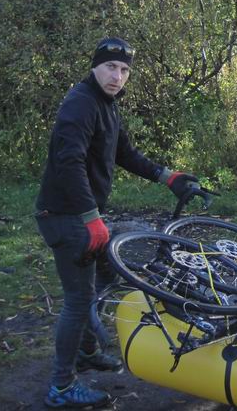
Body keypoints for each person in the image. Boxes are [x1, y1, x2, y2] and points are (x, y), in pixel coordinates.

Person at [34, 37, 200, 409]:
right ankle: (61, 387)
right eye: (111, 66)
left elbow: (124, 153)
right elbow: (69, 162)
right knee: (78, 299)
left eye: (125, 70)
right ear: (95, 66)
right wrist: (90, 217)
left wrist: (167, 176)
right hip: (65, 216)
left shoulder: (106, 105)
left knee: (107, 271)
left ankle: (87, 351)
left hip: (81, 214)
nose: (118, 75)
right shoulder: (80, 104)